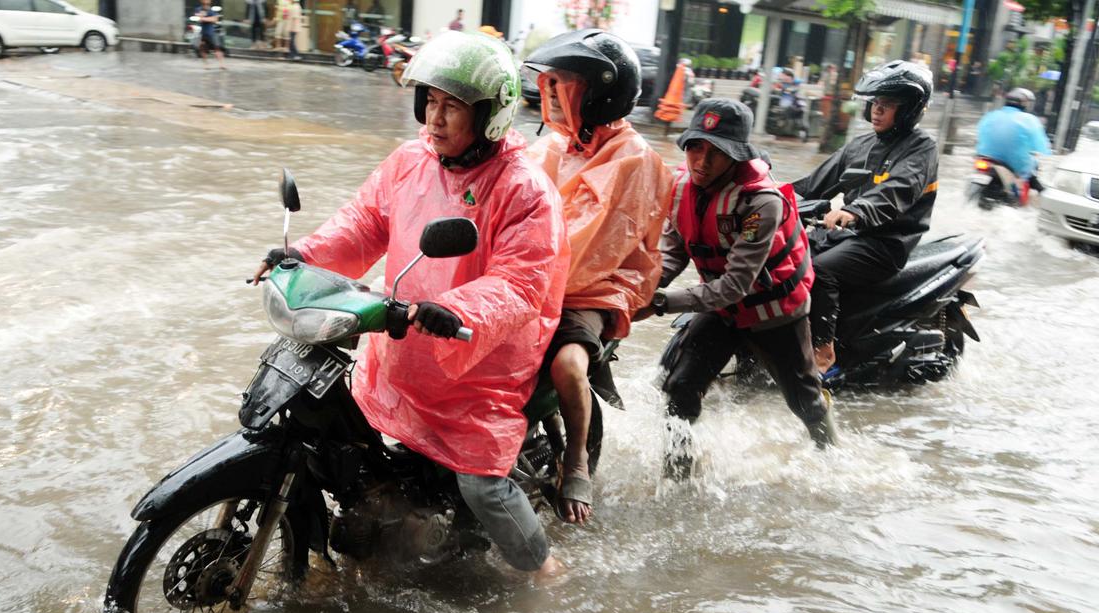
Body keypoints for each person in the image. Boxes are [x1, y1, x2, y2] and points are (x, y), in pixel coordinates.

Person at [250, 32, 569, 579]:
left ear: (491, 115)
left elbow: (520, 283)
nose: (435, 119)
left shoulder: (525, 189)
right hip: (403, 335)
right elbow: (364, 224)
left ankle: (546, 569)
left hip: (478, 361)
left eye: (452, 107)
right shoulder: (410, 161)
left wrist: (458, 310)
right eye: (431, 103)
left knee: (482, 483)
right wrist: (299, 255)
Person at [523, 29, 673, 525]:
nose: (550, 94)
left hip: (591, 286)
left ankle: (576, 461)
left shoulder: (635, 160)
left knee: (567, 365)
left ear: (598, 94)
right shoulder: (556, 145)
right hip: (532, 277)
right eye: (551, 83)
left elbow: (591, 245)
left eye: (563, 85)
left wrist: (523, 273)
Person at [637, 98, 835, 450]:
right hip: (723, 310)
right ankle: (677, 478)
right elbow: (672, 252)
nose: (702, 161)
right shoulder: (680, 188)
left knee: (804, 402)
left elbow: (735, 284)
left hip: (774, 312)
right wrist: (641, 286)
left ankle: (831, 453)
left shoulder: (761, 203)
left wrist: (661, 302)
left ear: (738, 155)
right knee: (680, 388)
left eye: (717, 151)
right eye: (695, 147)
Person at [792, 60, 937, 376]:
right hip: (846, 235)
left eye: (888, 105)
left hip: (885, 243)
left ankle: (822, 352)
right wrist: (766, 195)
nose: (877, 110)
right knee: (787, 260)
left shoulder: (921, 148)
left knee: (819, 271)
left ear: (910, 109)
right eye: (875, 103)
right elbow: (811, 185)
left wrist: (855, 211)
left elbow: (899, 188)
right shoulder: (859, 145)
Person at [975, 87, 1050, 192]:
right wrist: (1045, 151)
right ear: (1025, 104)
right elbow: (1042, 147)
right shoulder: (1029, 120)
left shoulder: (990, 115)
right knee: (1032, 171)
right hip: (1013, 163)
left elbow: (979, 135)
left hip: (984, 158)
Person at [194, 0, 227, 70]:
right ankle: (206, 64)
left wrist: (205, 18)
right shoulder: (199, 9)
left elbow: (215, 19)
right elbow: (200, 18)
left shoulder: (212, 10)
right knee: (203, 49)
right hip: (203, 33)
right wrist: (208, 18)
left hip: (211, 32)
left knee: (217, 48)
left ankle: (222, 64)